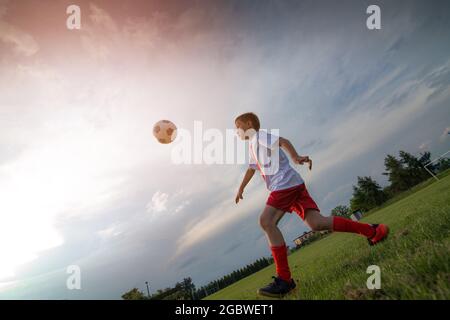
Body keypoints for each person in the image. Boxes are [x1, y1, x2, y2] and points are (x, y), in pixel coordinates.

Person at [234, 112, 389, 298]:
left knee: (266, 222)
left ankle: (285, 280)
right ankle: (373, 231)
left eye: (238, 126)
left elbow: (283, 141)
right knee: (316, 224)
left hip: (285, 184)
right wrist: (241, 188)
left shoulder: (259, 136)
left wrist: (295, 157)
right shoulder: (253, 145)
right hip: (293, 184)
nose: (236, 131)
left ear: (249, 124)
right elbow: (251, 169)